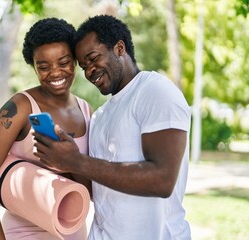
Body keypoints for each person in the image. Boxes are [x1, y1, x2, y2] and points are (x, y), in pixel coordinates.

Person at [33, 15, 191, 239]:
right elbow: (99, 190)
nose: (89, 71)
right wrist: (61, 158)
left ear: (119, 48)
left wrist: (77, 161)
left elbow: (162, 179)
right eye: (84, 66)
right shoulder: (99, 117)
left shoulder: (155, 92)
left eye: (94, 58)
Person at [0, 17, 92, 240]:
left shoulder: (86, 111)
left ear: (74, 60)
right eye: (43, 67)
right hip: (23, 233)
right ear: (33, 67)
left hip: (74, 232)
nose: (55, 73)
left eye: (63, 62)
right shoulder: (21, 107)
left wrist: (69, 163)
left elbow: (91, 191)